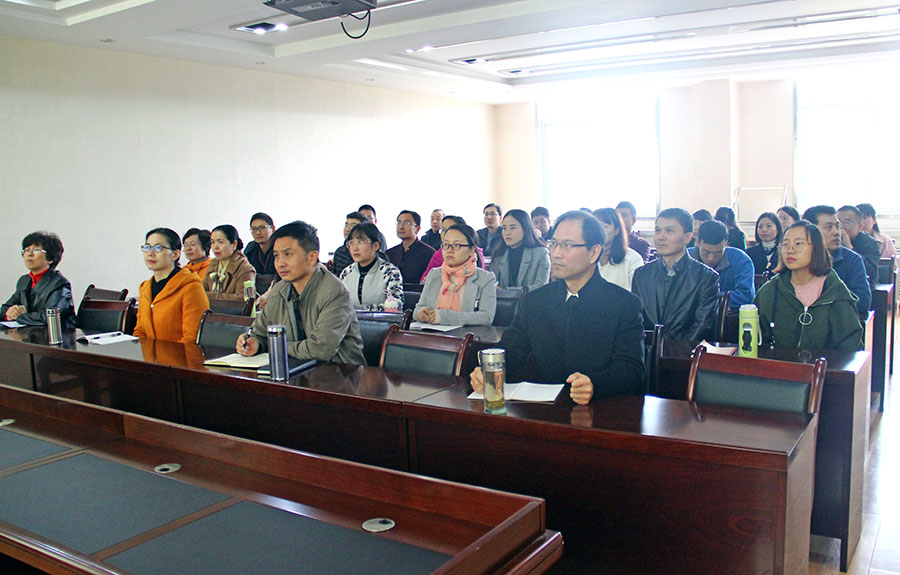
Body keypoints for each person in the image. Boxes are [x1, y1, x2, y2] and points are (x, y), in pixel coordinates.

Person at [469, 210, 644, 404]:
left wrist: (595, 384)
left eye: (568, 245)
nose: (557, 254)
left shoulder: (624, 304)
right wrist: (489, 371)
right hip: (546, 408)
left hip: (601, 407)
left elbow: (632, 368)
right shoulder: (535, 301)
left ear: (594, 252)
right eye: (554, 244)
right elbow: (512, 350)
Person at [236, 220, 365, 365]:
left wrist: (274, 346)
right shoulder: (279, 290)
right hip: (294, 369)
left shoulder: (335, 292)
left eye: (287, 254)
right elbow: (259, 332)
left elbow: (320, 350)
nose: (280, 263)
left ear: (312, 257)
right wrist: (253, 343)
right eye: (277, 256)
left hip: (340, 372)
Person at [755, 220, 863, 351]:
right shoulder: (770, 291)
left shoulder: (835, 292)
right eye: (785, 244)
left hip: (828, 363)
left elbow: (851, 345)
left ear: (816, 248)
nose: (790, 250)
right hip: (778, 363)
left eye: (798, 243)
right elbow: (757, 340)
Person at [631, 208, 719, 341]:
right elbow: (636, 320)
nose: (660, 237)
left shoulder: (706, 277)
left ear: (687, 237)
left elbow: (703, 325)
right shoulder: (642, 274)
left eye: (669, 231)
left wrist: (675, 349)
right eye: (657, 230)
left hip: (686, 351)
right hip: (647, 349)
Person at [133, 228, 209, 344]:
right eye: (147, 247)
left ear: (175, 255)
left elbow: (191, 338)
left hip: (180, 354)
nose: (150, 253)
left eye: (158, 248)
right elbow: (140, 331)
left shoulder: (191, 287)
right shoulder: (145, 288)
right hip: (149, 355)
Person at [416, 224, 496, 326]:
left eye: (456, 245)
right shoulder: (434, 274)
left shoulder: (485, 278)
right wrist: (421, 313)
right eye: (446, 244)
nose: (449, 250)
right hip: (431, 333)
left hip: (466, 334)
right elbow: (418, 308)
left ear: (471, 250)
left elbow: (486, 317)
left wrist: (444, 317)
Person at [803, 205, 870, 314]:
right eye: (829, 227)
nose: (836, 232)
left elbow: (862, 302)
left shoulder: (852, 260)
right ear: (810, 232)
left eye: (837, 226)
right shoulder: (798, 259)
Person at [2, 231, 75, 329]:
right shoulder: (24, 281)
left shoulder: (60, 283)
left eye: (36, 250)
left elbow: (49, 317)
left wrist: (20, 316)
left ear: (50, 258)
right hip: (31, 333)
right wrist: (9, 313)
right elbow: (4, 309)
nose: (29, 254)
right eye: (26, 250)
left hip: (59, 335)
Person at [339, 222, 403, 312]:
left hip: (381, 321)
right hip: (349, 320)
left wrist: (361, 309)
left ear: (375, 246)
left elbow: (396, 306)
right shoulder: (347, 272)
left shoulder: (390, 272)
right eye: (351, 243)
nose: (354, 248)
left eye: (360, 242)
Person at [691, 220, 755, 309]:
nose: (711, 258)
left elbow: (746, 296)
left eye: (718, 252)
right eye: (706, 252)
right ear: (698, 242)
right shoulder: (685, 258)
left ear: (726, 244)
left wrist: (703, 298)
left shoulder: (740, 259)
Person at [491, 209, 550, 291]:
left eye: (512, 228)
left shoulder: (541, 253)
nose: (507, 232)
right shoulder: (499, 254)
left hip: (531, 299)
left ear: (525, 229)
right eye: (504, 228)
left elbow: (541, 286)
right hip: (502, 299)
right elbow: (492, 284)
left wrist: (507, 291)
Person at [420, 215, 485, 281]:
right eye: (443, 230)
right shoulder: (438, 256)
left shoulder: (485, 277)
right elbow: (424, 279)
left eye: (456, 245)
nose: (446, 233)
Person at [203, 224, 256, 301]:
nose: (215, 247)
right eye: (212, 242)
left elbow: (244, 299)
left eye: (220, 242)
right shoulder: (213, 264)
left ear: (234, 245)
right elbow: (201, 290)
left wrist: (209, 296)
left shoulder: (245, 269)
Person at [593, 208, 643, 290]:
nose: (598, 232)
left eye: (604, 227)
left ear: (616, 230)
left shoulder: (633, 259)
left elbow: (638, 293)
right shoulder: (585, 257)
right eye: (595, 228)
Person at [385, 210, 435, 286]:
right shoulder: (390, 253)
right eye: (399, 222)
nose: (401, 227)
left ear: (417, 228)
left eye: (407, 223)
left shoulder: (429, 253)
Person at [838, 204, 880, 290]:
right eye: (838, 223)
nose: (841, 227)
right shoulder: (831, 240)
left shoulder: (870, 243)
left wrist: (850, 248)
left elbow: (871, 273)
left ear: (860, 227)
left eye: (847, 222)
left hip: (861, 287)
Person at [331, 211, 365, 276]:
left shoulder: (366, 252)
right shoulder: (340, 252)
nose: (347, 229)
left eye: (353, 226)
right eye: (346, 225)